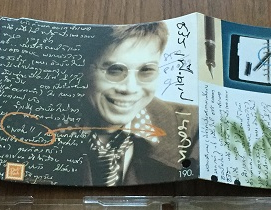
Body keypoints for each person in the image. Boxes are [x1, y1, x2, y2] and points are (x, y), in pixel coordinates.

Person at [78, 22, 198, 186]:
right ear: (84, 69)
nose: (130, 88)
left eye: (146, 71)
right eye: (114, 70)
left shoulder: (195, 127)